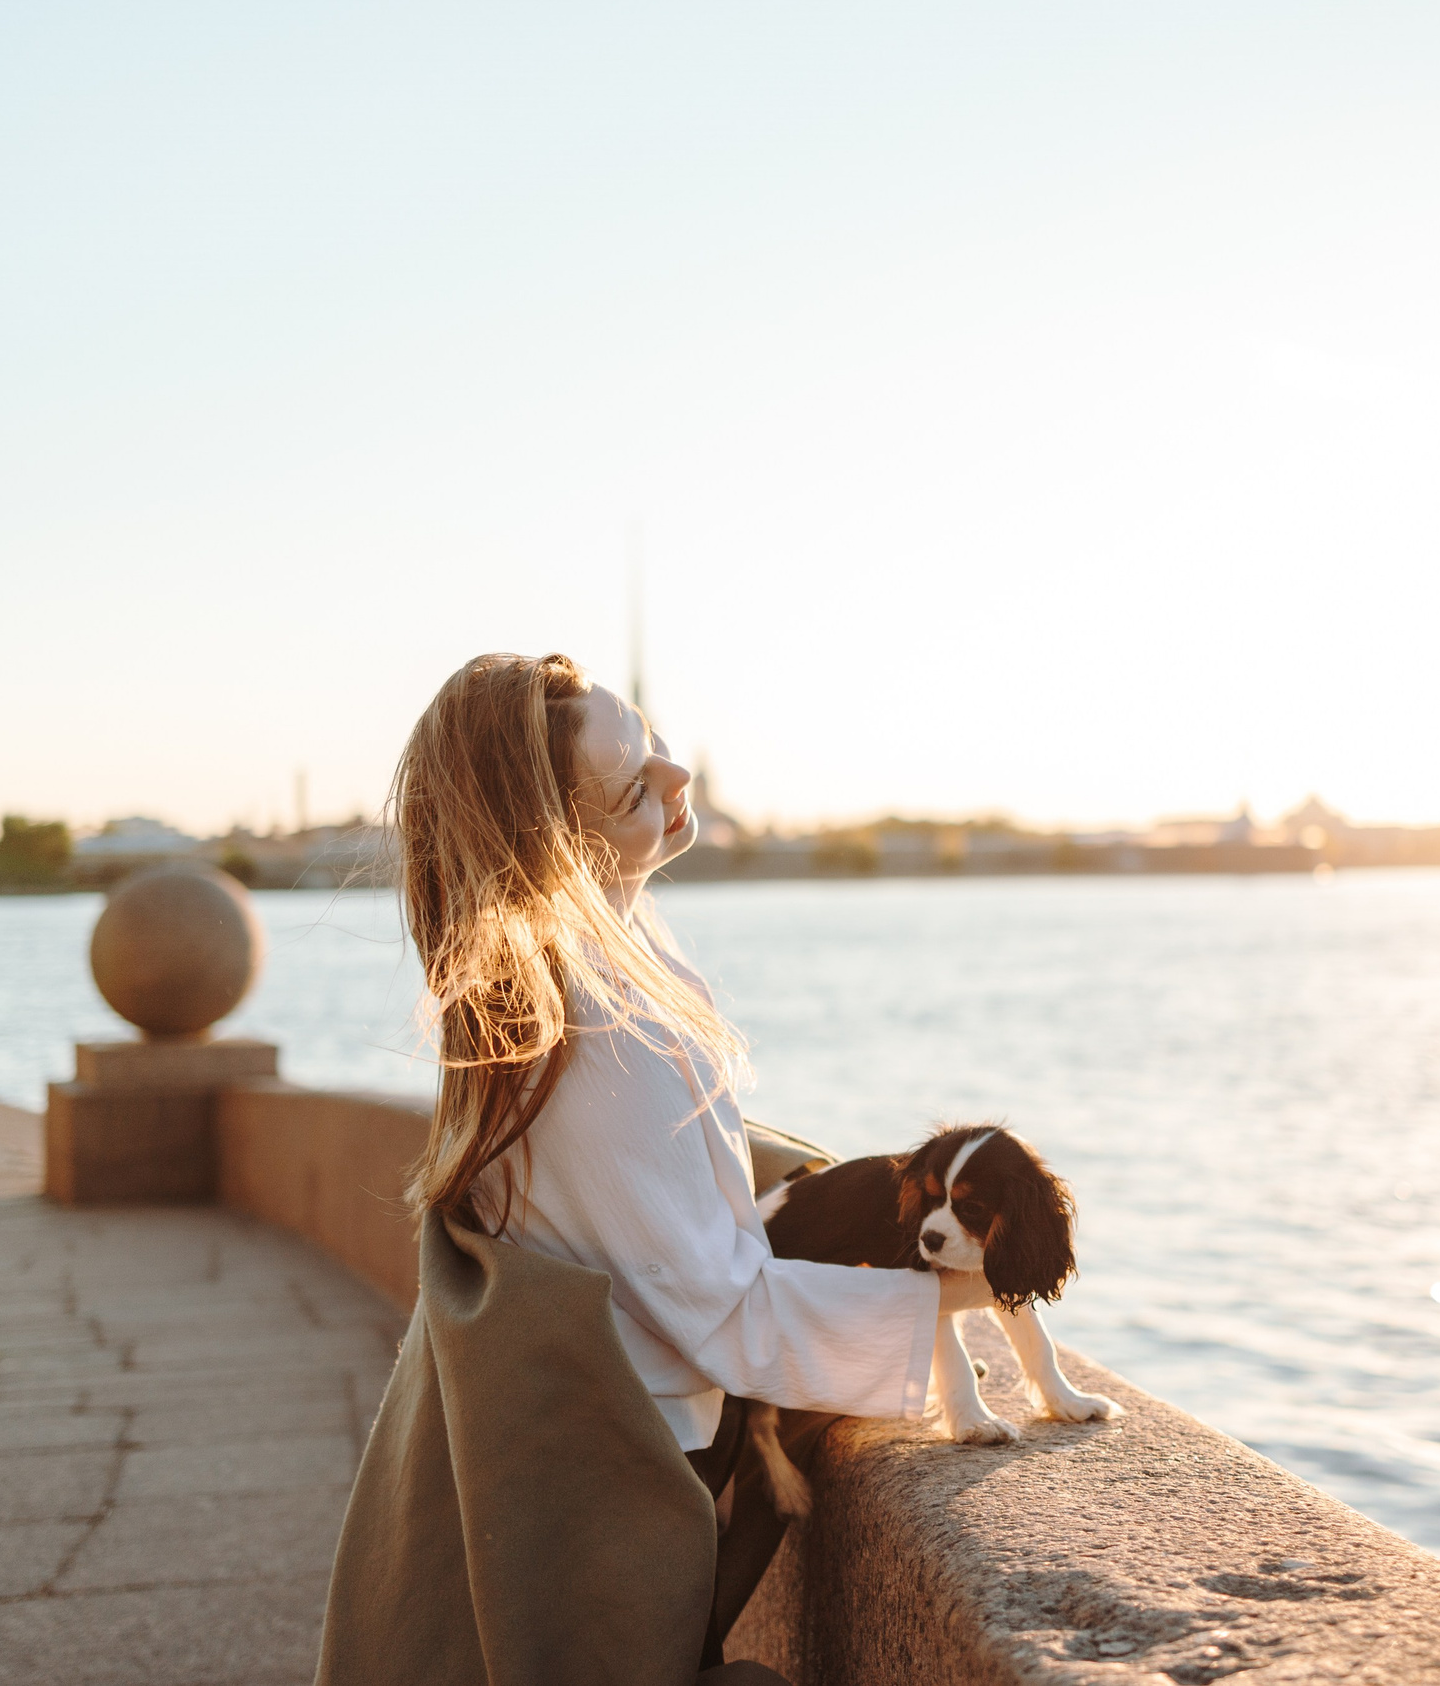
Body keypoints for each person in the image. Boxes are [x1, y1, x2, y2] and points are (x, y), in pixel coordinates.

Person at [384, 651, 995, 1675]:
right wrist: (964, 1293)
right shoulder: (594, 1030)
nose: (679, 782)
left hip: (562, 1425)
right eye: (634, 788)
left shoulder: (543, 981)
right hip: (634, 1471)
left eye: (655, 743)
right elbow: (726, 1316)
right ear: (553, 850)